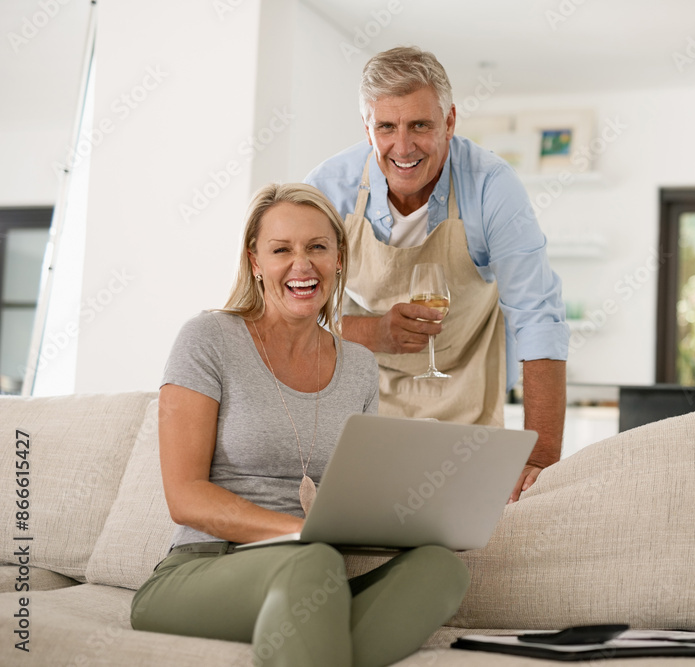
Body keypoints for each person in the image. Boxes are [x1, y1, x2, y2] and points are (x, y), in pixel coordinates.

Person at [130, 183, 470, 667]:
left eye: (317, 247)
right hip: (205, 568)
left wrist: (424, 517)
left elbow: (357, 495)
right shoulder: (208, 339)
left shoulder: (357, 365)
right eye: (281, 250)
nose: (302, 265)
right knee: (313, 562)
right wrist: (302, 533)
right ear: (255, 261)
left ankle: (313, 641)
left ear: (338, 259)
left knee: (440, 569)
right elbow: (184, 497)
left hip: (312, 576)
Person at [305, 46, 569, 502]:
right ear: (367, 128)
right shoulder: (328, 190)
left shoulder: (491, 187)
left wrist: (540, 457)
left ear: (449, 122)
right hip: (367, 399)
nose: (402, 147)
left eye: (420, 125)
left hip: (467, 389)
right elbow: (291, 317)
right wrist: (373, 331)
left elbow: (537, 318)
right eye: (386, 126)